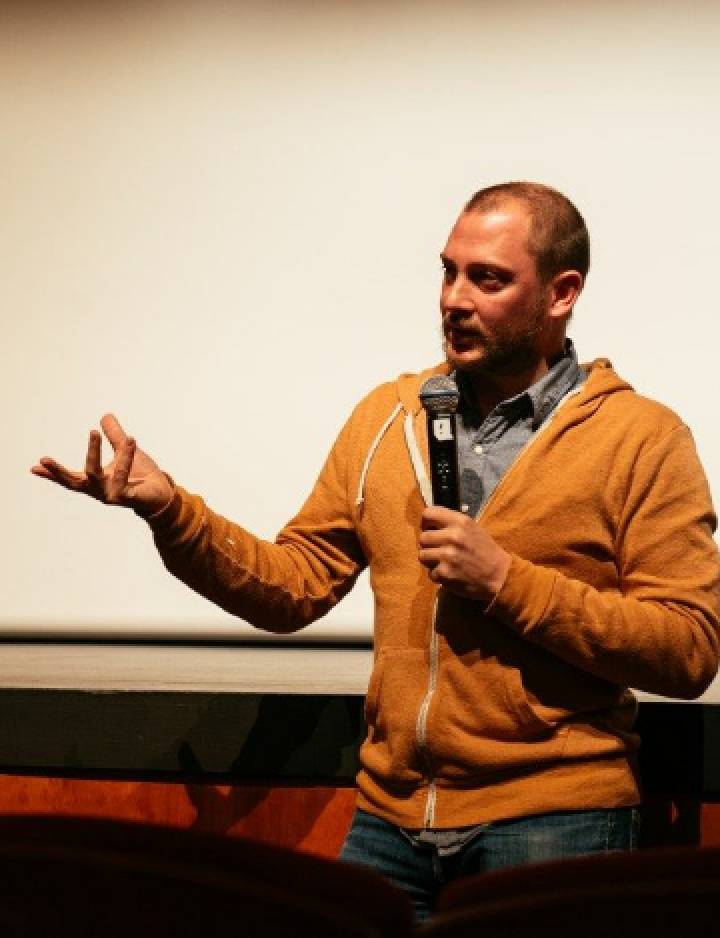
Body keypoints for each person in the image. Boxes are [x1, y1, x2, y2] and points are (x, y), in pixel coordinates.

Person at [32, 182, 720, 921]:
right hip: (390, 822)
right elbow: (294, 586)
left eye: (488, 278)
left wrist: (505, 581)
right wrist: (172, 512)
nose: (455, 298)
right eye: (448, 271)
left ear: (562, 293)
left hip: (555, 819)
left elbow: (687, 649)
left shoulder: (640, 438)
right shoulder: (388, 419)